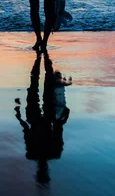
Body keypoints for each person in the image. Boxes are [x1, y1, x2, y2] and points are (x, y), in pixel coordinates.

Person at [14, 53, 71, 185]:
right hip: (44, 119)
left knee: (35, 85)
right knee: (39, 86)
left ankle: (40, 56)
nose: (43, 170)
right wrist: (64, 115)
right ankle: (43, 55)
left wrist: (19, 115)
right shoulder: (53, 152)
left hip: (37, 119)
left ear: (38, 172)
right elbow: (58, 128)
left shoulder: (36, 154)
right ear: (46, 172)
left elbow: (26, 131)